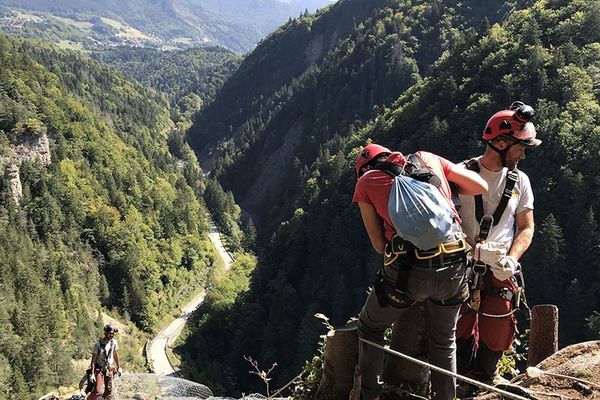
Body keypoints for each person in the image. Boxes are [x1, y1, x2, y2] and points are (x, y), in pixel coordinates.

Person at [353, 143, 488, 400]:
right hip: (455, 266)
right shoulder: (427, 158)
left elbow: (379, 245)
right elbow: (480, 186)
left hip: (408, 275)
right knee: (443, 340)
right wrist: (446, 176)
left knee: (369, 328)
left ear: (363, 170)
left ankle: (369, 395)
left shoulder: (366, 182)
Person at [456, 101, 540, 391]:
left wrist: (513, 259)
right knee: (459, 325)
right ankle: (461, 381)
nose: (524, 154)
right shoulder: (460, 175)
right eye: (521, 147)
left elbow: (526, 226)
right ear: (501, 143)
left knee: (499, 321)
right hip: (463, 263)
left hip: (500, 267)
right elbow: (444, 223)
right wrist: (472, 249)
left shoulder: (520, 181)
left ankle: (486, 376)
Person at [87, 324, 122, 400]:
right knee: (98, 391)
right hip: (98, 369)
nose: (111, 335)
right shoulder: (98, 344)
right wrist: (92, 374)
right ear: (105, 333)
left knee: (108, 391)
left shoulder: (114, 343)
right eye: (110, 333)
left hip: (108, 369)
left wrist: (119, 367)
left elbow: (115, 355)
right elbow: (93, 361)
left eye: (113, 334)